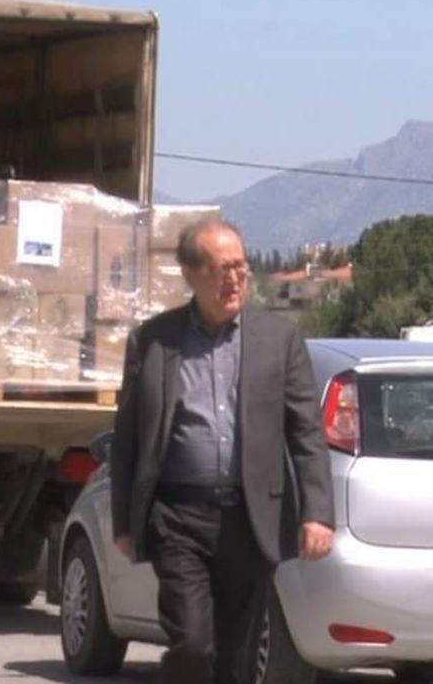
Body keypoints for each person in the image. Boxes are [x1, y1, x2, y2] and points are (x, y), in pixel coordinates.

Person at [109, 219, 335, 684]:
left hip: (250, 519)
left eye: (241, 267)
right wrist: (124, 521)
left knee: (237, 658)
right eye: (221, 269)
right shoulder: (153, 341)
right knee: (192, 643)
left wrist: (317, 513)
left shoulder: (278, 340)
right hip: (177, 516)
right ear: (190, 274)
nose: (235, 279)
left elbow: (306, 432)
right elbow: (128, 435)